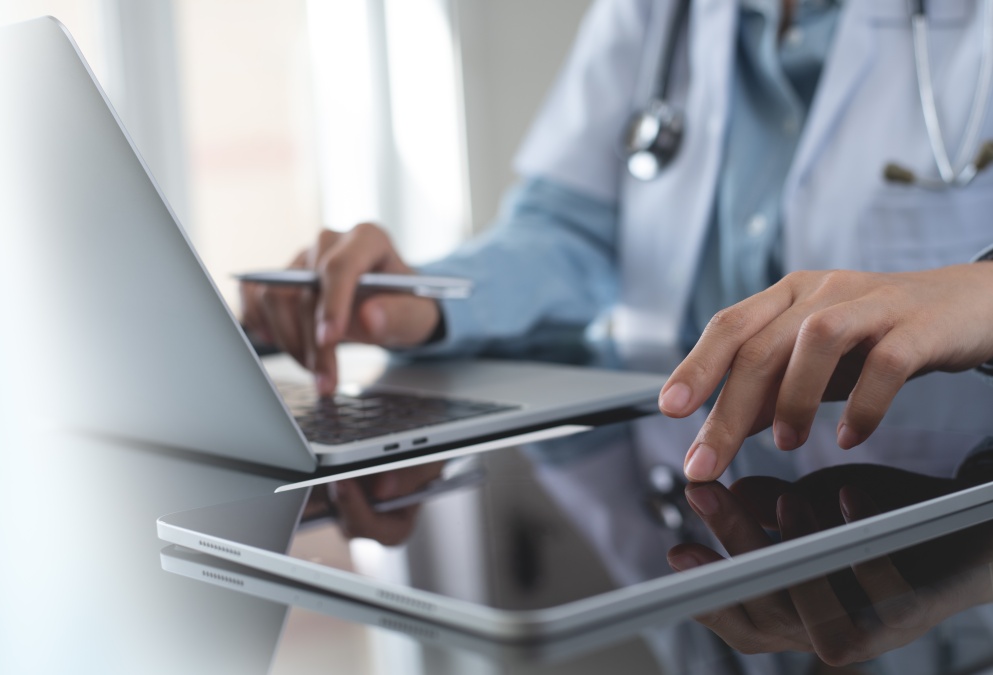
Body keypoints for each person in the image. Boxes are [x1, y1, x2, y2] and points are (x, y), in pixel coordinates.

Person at [242, 0, 993, 482]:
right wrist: (418, 303)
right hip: (696, 476)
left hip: (925, 484)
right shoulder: (654, 14)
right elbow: (570, 229)